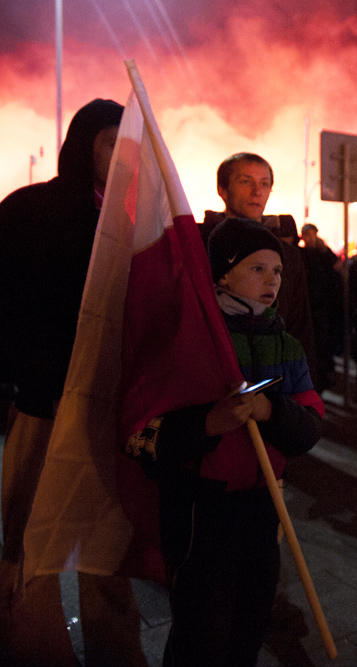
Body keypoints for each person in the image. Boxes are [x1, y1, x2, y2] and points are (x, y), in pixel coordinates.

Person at [125, 217, 323, 664]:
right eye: (256, 269)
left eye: (277, 270)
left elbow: (310, 427)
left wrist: (272, 410)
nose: (271, 279)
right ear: (221, 273)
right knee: (201, 635)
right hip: (202, 511)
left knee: (247, 629)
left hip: (263, 508)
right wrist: (208, 424)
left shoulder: (287, 344)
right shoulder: (189, 338)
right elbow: (140, 437)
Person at [0, 99, 148, 666]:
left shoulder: (129, 223)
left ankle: (117, 652)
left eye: (124, 145)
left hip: (105, 410)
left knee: (106, 543)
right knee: (28, 541)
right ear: (84, 146)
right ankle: (32, 646)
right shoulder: (30, 210)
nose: (117, 156)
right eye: (108, 143)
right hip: (41, 402)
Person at [204, 153, 319, 390]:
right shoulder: (198, 245)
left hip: (276, 387)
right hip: (212, 383)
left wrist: (304, 391)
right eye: (245, 181)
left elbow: (299, 323)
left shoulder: (288, 255)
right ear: (222, 189)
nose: (257, 191)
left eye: (264, 183)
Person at [300, 223, 345, 391]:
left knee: (324, 344)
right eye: (307, 235)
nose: (310, 238)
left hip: (324, 306)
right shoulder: (302, 253)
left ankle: (326, 375)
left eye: (313, 234)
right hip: (310, 305)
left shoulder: (323, 253)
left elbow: (336, 267)